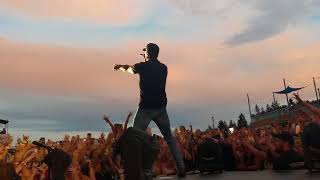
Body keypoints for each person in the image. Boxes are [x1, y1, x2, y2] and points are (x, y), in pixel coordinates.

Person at [113, 43, 186, 177]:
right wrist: (147, 59)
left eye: (145, 52)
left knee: (134, 139)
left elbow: (129, 68)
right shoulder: (164, 68)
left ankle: (136, 171)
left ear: (147, 53)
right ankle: (181, 168)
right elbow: (151, 68)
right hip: (161, 109)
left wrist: (119, 66)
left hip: (145, 109)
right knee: (170, 139)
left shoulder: (142, 66)